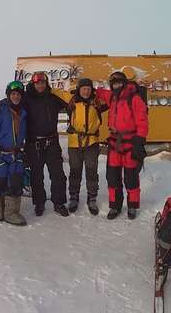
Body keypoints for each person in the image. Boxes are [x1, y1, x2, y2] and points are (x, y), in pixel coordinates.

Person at [96, 71, 148, 220]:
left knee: (131, 178)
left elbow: (142, 120)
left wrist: (140, 140)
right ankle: (115, 206)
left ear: (124, 83)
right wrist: (88, 89)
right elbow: (101, 93)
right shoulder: (111, 96)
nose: (116, 86)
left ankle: (132, 206)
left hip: (131, 144)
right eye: (113, 84)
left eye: (119, 83)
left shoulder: (135, 98)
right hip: (114, 144)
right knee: (112, 177)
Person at [54, 78, 106, 215]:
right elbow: (52, 96)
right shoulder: (71, 103)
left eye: (89, 89)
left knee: (91, 171)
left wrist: (99, 92)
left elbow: (113, 99)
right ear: (79, 89)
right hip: (74, 142)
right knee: (75, 171)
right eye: (84, 88)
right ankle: (74, 197)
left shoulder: (97, 103)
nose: (86, 91)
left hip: (92, 142)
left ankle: (92, 198)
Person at [24, 72, 70, 217]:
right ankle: (39, 203)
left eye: (43, 83)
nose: (40, 86)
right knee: (36, 176)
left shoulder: (53, 98)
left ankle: (59, 203)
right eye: (38, 83)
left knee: (58, 175)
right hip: (33, 143)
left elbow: (71, 107)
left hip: (52, 142)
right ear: (33, 84)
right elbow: (12, 102)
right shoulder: (26, 99)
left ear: (46, 83)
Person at [0, 81, 28, 226]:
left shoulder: (23, 111)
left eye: (18, 94)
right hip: (0, 153)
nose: (16, 97)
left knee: (15, 183)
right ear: (8, 95)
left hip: (16, 153)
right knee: (0, 181)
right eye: (13, 94)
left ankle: (11, 213)